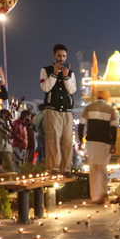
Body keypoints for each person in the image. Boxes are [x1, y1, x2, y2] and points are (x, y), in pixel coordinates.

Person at [40, 44, 77, 176]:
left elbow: (72, 90)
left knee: (67, 140)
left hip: (67, 110)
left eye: (64, 56)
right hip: (53, 109)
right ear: (54, 55)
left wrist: (66, 77)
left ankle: (66, 168)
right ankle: (54, 167)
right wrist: (55, 75)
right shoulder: (46, 70)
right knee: (53, 138)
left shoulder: (70, 72)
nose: (61, 59)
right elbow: (45, 87)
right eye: (59, 55)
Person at [78, 89, 118, 204]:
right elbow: (113, 128)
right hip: (105, 142)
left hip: (91, 142)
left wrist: (81, 140)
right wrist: (113, 142)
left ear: (96, 97)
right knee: (102, 168)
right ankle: (103, 193)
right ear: (106, 97)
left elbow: (81, 125)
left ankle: (95, 196)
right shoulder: (110, 110)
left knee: (93, 168)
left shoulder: (88, 108)